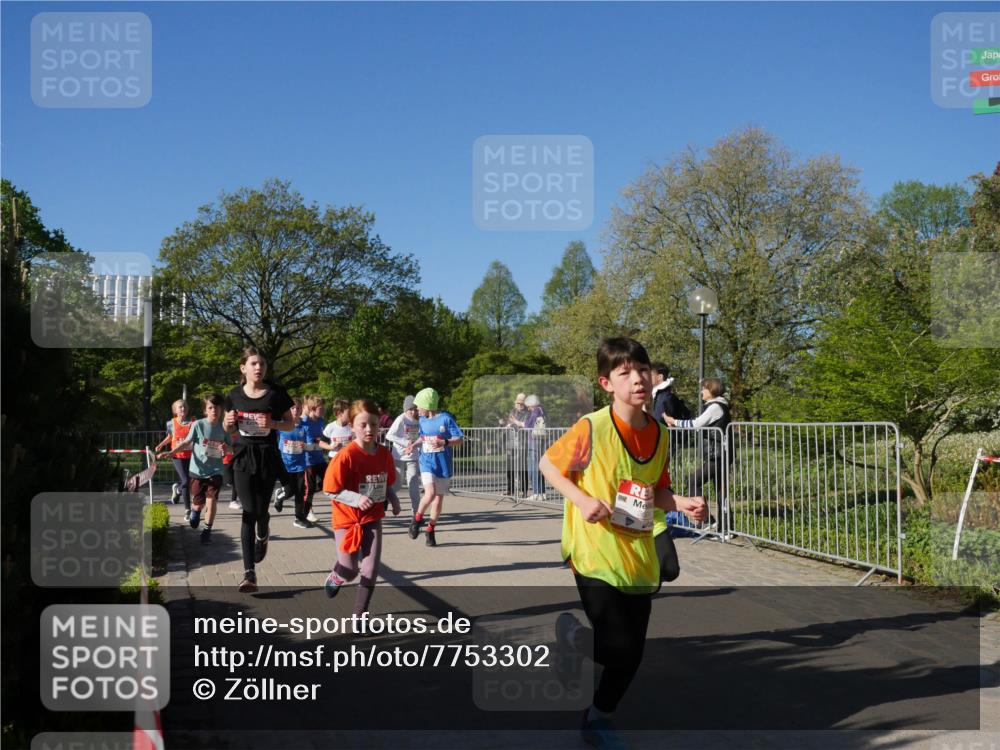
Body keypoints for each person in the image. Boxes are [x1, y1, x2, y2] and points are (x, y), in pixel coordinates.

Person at [539, 337, 706, 749]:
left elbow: (655, 490)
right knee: (617, 646)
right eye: (625, 373)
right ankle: (576, 642)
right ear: (606, 383)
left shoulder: (660, 435)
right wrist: (582, 499)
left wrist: (682, 502)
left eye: (642, 370)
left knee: (631, 653)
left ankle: (598, 715)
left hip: (636, 552)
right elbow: (549, 465)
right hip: (593, 550)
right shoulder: (592, 427)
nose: (637, 380)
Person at [223, 347, 295, 594]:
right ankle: (249, 574)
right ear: (243, 368)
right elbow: (229, 428)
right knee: (248, 512)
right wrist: (228, 423)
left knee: (261, 511)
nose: (258, 368)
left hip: (267, 456)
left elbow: (290, 423)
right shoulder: (234, 395)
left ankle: (263, 535)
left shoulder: (275, 394)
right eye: (253, 363)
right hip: (243, 456)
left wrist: (273, 423)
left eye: (262, 364)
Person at [322, 399, 401, 615]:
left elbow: (385, 482)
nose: (369, 430)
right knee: (350, 571)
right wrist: (356, 499)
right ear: (352, 426)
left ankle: (360, 613)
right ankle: (337, 575)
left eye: (373, 424)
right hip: (347, 520)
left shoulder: (384, 454)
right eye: (363, 425)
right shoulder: (346, 455)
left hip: (372, 518)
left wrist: (393, 499)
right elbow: (329, 489)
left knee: (370, 568)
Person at [160, 393, 231, 544]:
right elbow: (186, 442)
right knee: (198, 504)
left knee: (212, 501)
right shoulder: (198, 425)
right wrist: (172, 452)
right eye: (210, 408)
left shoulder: (224, 428)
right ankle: (195, 511)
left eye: (217, 407)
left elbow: (232, 448)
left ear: (221, 409)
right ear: (205, 410)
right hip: (197, 471)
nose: (214, 410)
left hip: (216, 471)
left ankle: (207, 531)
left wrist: (227, 448)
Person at [665, 377, 731, 531]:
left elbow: (696, 424)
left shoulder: (715, 407)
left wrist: (673, 421)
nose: (701, 392)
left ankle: (707, 519)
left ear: (712, 390)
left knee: (693, 480)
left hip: (719, 455)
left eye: (704, 388)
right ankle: (725, 528)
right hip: (719, 454)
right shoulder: (717, 405)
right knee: (721, 492)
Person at [408, 388, 464, 547]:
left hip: (443, 464)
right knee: (430, 493)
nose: (417, 409)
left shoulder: (446, 419)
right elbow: (423, 437)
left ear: (428, 405)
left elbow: (459, 439)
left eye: (419, 406)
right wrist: (414, 445)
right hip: (426, 462)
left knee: (438, 499)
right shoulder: (422, 420)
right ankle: (417, 519)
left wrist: (444, 442)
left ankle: (430, 529)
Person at [274, 398, 310, 527]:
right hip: (285, 464)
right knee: (290, 491)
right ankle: (280, 496)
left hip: (300, 464)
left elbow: (311, 444)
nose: (295, 410)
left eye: (297, 408)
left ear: (301, 409)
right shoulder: (281, 425)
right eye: (292, 408)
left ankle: (299, 518)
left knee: (300, 492)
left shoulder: (305, 426)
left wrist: (305, 446)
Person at [155, 400, 193, 519]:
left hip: (191, 456)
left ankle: (178, 490)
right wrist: (161, 445)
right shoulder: (171, 423)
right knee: (186, 480)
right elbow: (170, 437)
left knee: (189, 481)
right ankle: (188, 510)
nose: (183, 409)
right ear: (175, 410)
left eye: (185, 407)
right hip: (177, 456)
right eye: (180, 407)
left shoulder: (193, 423)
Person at [385, 395, 422, 516]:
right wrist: (405, 442)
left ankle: (416, 513)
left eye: (415, 409)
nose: (413, 412)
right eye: (410, 409)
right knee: (397, 484)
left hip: (413, 457)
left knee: (414, 485)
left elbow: (421, 436)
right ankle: (384, 501)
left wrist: (417, 446)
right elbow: (389, 435)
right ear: (405, 409)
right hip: (399, 456)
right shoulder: (401, 419)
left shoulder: (420, 419)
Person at [301, 395, 332, 527]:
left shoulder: (321, 421)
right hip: (308, 461)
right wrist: (321, 441)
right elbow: (310, 442)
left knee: (329, 483)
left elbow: (324, 439)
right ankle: (305, 514)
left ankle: (303, 497)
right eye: (321, 408)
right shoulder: (305, 422)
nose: (323, 410)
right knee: (310, 488)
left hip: (320, 459)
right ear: (313, 408)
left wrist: (325, 441)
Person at [502, 393, 529, 498]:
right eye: (518, 403)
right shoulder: (512, 411)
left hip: (522, 442)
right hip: (511, 442)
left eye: (521, 403)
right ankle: (510, 489)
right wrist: (508, 425)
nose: (519, 405)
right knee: (510, 467)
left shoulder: (528, 413)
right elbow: (508, 424)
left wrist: (515, 423)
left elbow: (524, 426)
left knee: (522, 468)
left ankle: (523, 491)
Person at [523, 394, 548, 501]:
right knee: (539, 467)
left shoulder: (535, 411)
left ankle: (536, 492)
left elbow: (527, 425)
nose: (528, 408)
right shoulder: (542, 410)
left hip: (534, 441)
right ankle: (542, 492)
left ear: (532, 405)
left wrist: (517, 423)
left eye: (529, 406)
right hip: (541, 441)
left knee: (534, 468)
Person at [223, 432, 241, 511]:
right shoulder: (224, 434)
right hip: (226, 461)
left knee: (236, 481)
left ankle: (233, 501)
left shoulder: (240, 435)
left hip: (237, 461)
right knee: (228, 481)